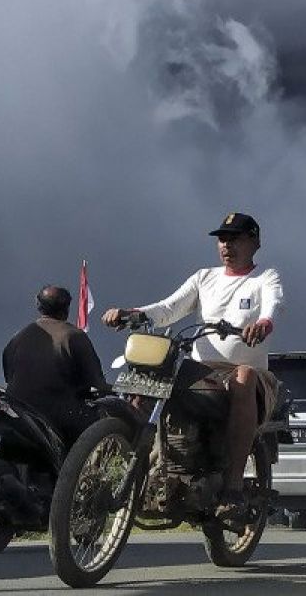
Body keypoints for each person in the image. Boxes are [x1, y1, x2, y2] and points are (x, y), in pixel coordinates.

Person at [102, 211, 283, 520]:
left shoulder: (265, 278)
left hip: (248, 377)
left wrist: (264, 323)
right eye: (222, 240)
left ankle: (233, 489)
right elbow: (169, 308)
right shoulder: (204, 278)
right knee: (156, 371)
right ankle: (140, 470)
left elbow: (273, 304)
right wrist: (133, 314)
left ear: (254, 242)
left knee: (244, 374)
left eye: (235, 239)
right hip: (203, 373)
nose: (226, 246)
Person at [3, 285, 110, 444]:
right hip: (59, 416)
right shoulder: (74, 336)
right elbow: (96, 381)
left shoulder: (18, 337)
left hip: (17, 410)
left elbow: (7, 374)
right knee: (102, 424)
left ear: (39, 306)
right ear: (66, 309)